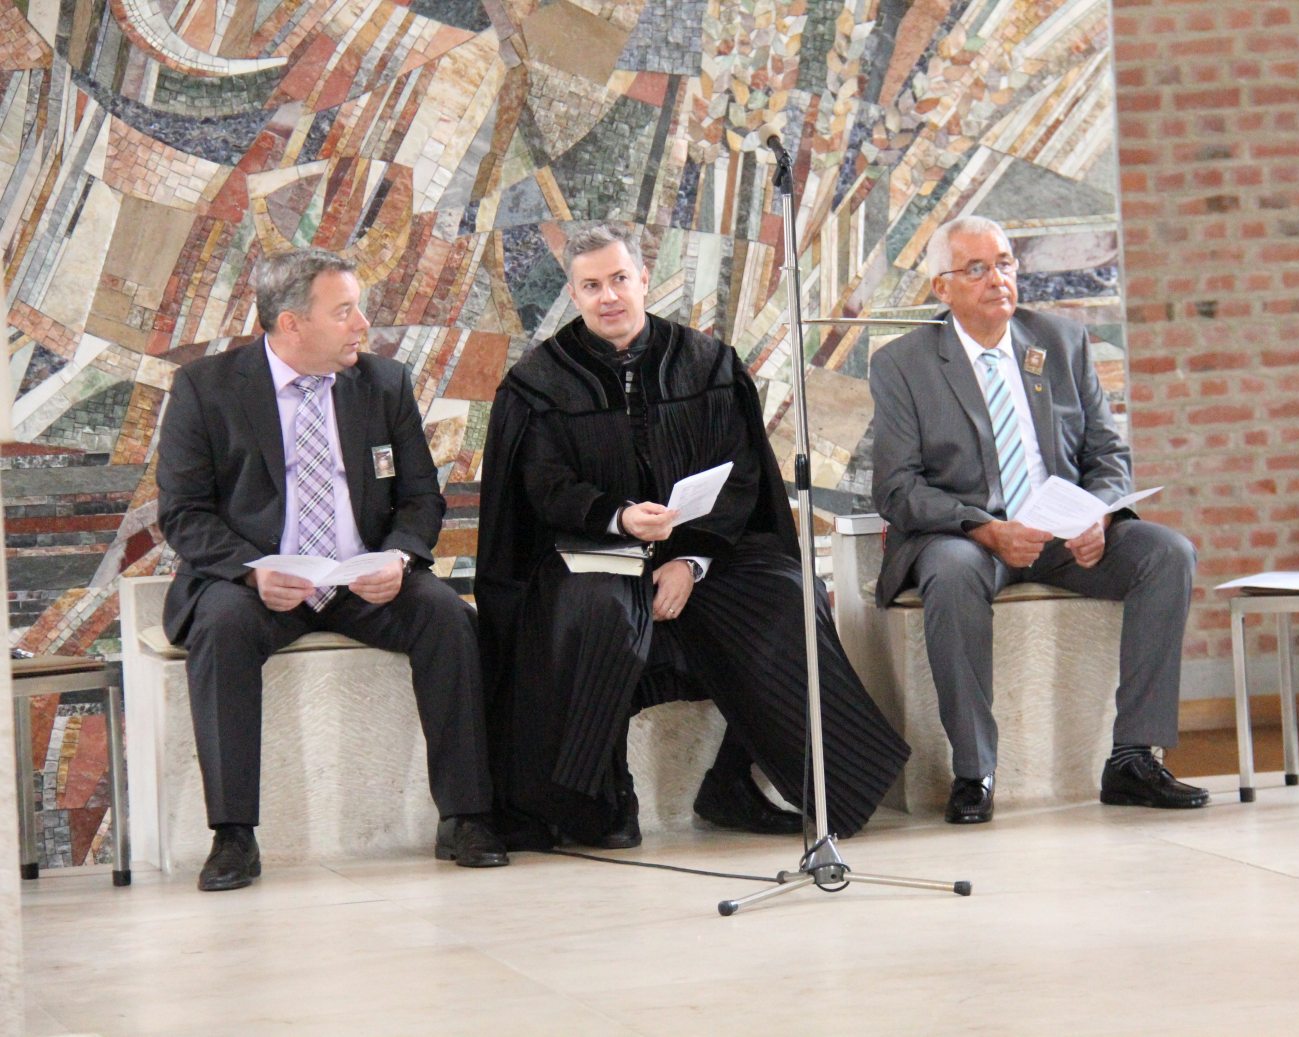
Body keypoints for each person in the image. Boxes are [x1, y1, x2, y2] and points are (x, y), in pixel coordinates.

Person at [476, 223, 909, 850]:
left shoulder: (707, 365)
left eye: (619, 279)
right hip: (594, 553)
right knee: (600, 614)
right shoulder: (540, 383)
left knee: (789, 595)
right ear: (573, 293)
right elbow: (544, 487)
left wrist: (691, 561)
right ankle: (600, 802)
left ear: (644, 279)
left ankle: (742, 783)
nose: (608, 296)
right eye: (591, 286)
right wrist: (619, 517)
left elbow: (742, 477)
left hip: (702, 550)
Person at [157, 248, 509, 890]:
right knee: (221, 628)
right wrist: (250, 571)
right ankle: (233, 836)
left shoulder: (383, 383)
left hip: (362, 577)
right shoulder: (206, 388)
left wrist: (399, 556)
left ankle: (466, 815)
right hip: (260, 582)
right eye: (344, 311)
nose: (361, 324)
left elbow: (421, 497)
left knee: (449, 620)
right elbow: (183, 512)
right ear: (292, 323)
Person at [869, 215, 1209, 824]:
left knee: (1168, 553)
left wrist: (1097, 515)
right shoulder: (903, 363)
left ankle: (1133, 758)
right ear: (942, 288)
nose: (997, 279)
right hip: (969, 536)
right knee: (950, 572)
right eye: (977, 268)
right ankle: (975, 770)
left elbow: (1108, 454)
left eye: (1004, 263)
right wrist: (984, 528)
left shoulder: (1060, 341)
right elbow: (897, 489)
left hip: (1063, 533)